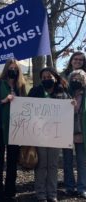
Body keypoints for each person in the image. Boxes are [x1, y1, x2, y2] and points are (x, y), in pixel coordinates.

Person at [0, 58, 27, 202]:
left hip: (15, 128)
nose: (13, 71)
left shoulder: (21, 86)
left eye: (16, 69)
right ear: (6, 69)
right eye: (11, 68)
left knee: (12, 161)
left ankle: (10, 191)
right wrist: (3, 101)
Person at [28, 67, 70, 202]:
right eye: (44, 77)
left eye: (49, 76)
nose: (47, 79)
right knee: (41, 165)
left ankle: (52, 194)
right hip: (39, 134)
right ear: (41, 79)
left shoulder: (62, 92)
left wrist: (72, 104)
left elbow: (68, 108)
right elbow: (26, 108)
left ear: (55, 77)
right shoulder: (35, 91)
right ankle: (40, 193)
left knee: (52, 165)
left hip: (55, 135)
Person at [62, 69, 86, 198]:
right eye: (74, 79)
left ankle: (82, 187)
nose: (76, 81)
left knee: (82, 162)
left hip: (82, 132)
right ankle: (69, 187)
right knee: (67, 161)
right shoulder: (65, 93)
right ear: (70, 80)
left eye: (80, 79)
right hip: (66, 132)